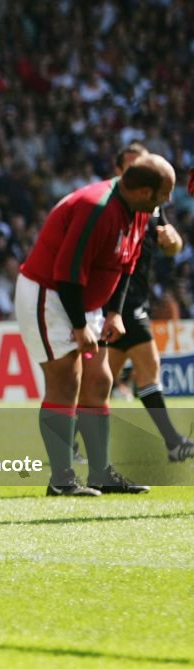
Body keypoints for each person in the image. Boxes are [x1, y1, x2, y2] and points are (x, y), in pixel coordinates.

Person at [15, 153, 176, 496]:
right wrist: (78, 326)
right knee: (65, 382)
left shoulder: (137, 211)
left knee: (100, 380)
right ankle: (61, 480)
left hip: (86, 302)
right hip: (51, 294)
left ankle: (101, 473)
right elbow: (67, 272)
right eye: (164, 192)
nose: (168, 200)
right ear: (144, 191)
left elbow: (126, 265)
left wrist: (114, 313)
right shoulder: (96, 207)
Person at [102, 143, 192, 463]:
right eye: (131, 166)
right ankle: (172, 442)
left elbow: (172, 246)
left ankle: (71, 441)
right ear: (118, 172)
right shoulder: (111, 203)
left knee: (104, 378)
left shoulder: (151, 203)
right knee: (145, 368)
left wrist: (173, 241)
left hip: (134, 295)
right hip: (116, 298)